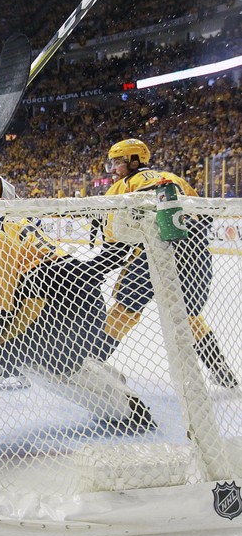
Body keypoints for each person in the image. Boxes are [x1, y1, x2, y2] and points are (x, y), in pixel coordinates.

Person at [0, 181, 156, 466]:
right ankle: (128, 408)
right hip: (75, 312)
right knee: (50, 367)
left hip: (46, 316)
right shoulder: (12, 223)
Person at [98, 139, 237, 388]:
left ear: (134, 160)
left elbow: (113, 238)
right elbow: (202, 216)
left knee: (124, 310)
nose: (114, 169)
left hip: (151, 253)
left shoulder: (123, 186)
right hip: (192, 251)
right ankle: (220, 368)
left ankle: (93, 362)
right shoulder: (173, 177)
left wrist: (105, 261)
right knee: (188, 315)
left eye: (118, 162)